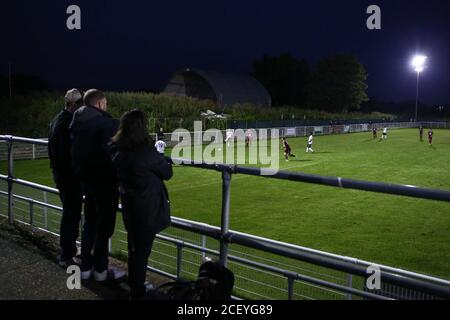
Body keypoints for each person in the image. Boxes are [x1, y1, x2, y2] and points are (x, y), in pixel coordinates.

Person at [110, 109, 173, 300]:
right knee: (141, 252)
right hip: (147, 209)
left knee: (135, 248)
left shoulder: (116, 149)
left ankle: (136, 284)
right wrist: (160, 154)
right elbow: (167, 172)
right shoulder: (145, 152)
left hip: (130, 206)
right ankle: (137, 291)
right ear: (140, 128)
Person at [70, 89, 124, 281]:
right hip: (105, 183)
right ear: (100, 104)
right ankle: (101, 270)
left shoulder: (75, 122)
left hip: (86, 181)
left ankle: (85, 267)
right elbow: (116, 154)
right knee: (104, 228)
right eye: (106, 103)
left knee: (89, 224)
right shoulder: (107, 123)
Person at [48, 89, 84, 267]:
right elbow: (69, 155)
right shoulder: (67, 123)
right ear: (73, 104)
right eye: (80, 104)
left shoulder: (56, 119)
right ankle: (67, 253)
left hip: (61, 175)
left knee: (70, 213)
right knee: (71, 214)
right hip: (69, 178)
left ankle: (69, 249)